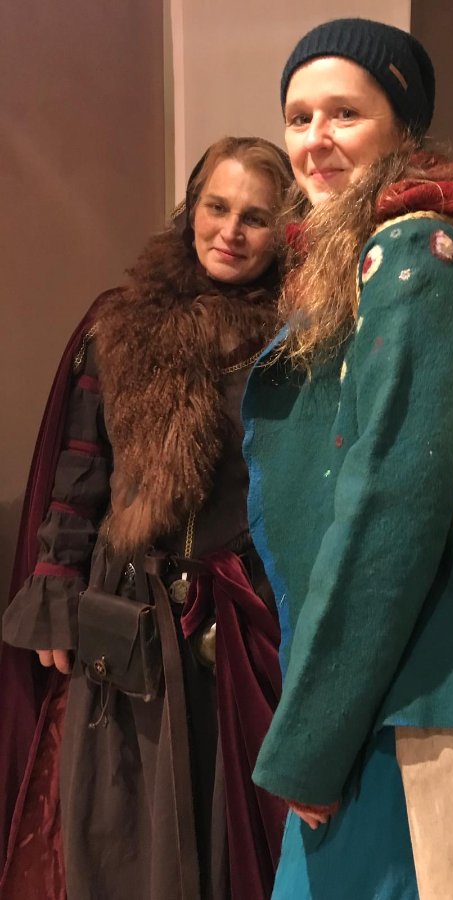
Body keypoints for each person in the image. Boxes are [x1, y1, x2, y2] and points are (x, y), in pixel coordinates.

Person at [241, 19, 453, 900]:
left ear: (401, 127)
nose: (315, 138)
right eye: (298, 116)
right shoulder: (366, 252)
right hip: (390, 686)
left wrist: (313, 741)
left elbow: (391, 500)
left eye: (344, 113)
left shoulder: (419, 250)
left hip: (413, 697)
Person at [1, 135, 292, 900]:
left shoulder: (297, 338)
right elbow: (79, 471)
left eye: (254, 217)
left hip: (245, 618)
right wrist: (57, 587)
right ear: (191, 209)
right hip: (129, 613)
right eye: (216, 207)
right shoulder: (122, 324)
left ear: (282, 229)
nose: (230, 231)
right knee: (126, 836)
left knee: (236, 831)